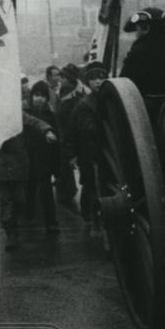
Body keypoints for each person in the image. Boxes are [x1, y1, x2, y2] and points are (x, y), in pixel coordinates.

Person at [0, 107, 57, 251]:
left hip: (17, 165)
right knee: (4, 201)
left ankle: (14, 224)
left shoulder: (16, 113)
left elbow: (34, 121)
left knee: (19, 199)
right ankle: (11, 233)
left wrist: (47, 130)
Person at [67, 62, 107, 237]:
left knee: (102, 188)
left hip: (107, 153)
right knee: (93, 188)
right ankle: (95, 222)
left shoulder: (109, 99)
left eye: (101, 78)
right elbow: (82, 130)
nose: (98, 82)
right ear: (88, 82)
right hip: (91, 155)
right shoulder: (84, 105)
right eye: (94, 79)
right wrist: (72, 155)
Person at [120, 6, 165, 99]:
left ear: (146, 28)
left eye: (137, 30)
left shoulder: (139, 52)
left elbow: (124, 85)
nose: (136, 35)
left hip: (149, 110)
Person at [25, 80, 59, 234]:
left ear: (47, 98)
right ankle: (29, 215)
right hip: (28, 157)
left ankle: (51, 222)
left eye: (42, 96)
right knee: (29, 190)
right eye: (36, 95)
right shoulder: (26, 113)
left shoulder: (50, 115)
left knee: (46, 192)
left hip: (44, 158)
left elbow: (57, 137)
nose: (38, 99)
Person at [54, 64, 88, 210]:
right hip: (62, 135)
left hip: (76, 137)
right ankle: (67, 193)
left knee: (82, 169)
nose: (59, 79)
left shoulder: (80, 95)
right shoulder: (60, 92)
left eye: (62, 77)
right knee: (63, 166)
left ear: (69, 78)